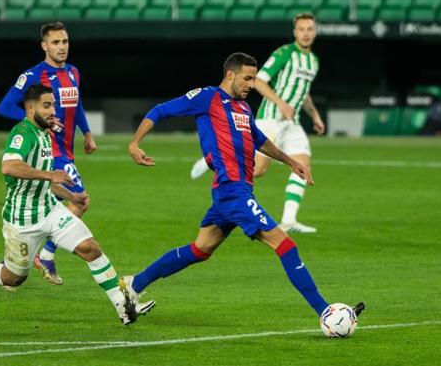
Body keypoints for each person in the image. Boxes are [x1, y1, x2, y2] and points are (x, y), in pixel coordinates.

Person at [121, 53, 364, 320]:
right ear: (230, 75)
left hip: (236, 192)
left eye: (255, 79)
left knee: (200, 249)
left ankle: (134, 285)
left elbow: (259, 140)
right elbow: (160, 111)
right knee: (285, 246)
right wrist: (134, 144)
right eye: (248, 78)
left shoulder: (244, 109)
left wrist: (290, 161)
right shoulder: (208, 98)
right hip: (232, 191)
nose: (251, 84)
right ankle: (326, 312)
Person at [0, 84, 154, 325]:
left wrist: (70, 197)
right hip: (23, 221)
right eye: (47, 105)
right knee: (13, 278)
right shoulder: (22, 133)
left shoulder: (45, 133)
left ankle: (123, 306)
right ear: (30, 108)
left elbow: (42, 179)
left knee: (90, 249)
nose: (53, 110)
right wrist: (51, 175)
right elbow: (9, 166)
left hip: (50, 211)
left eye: (53, 104)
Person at [190, 13, 325, 234]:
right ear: (295, 32)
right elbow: (259, 80)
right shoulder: (285, 53)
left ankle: (289, 221)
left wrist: (315, 116)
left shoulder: (313, 61)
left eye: (310, 29)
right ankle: (214, 161)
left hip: (293, 122)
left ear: (315, 31)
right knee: (259, 169)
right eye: (301, 29)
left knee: (302, 165)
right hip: (271, 117)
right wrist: (281, 103)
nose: (306, 33)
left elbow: (304, 92)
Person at [0, 22, 95, 285]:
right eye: (55, 42)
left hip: (67, 150)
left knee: (60, 204)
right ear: (44, 45)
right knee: (80, 200)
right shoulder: (32, 75)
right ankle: (46, 255)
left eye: (64, 42)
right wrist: (40, 122)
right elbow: (5, 106)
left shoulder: (73, 72)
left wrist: (86, 132)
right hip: (48, 152)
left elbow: (77, 103)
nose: (61, 47)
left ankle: (27, 257)